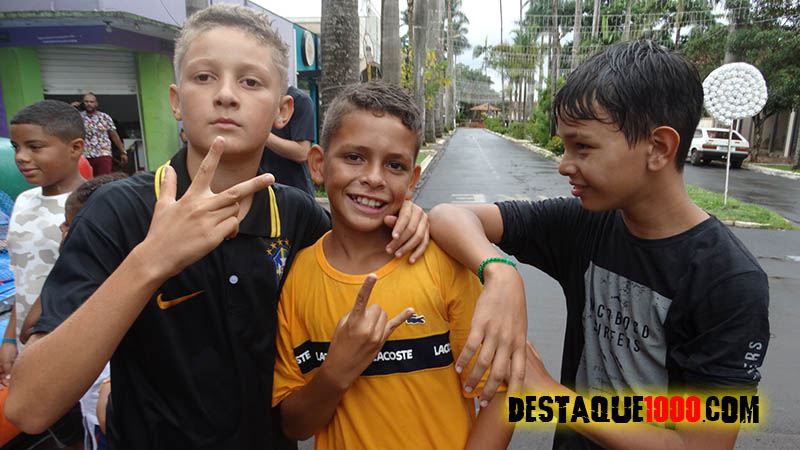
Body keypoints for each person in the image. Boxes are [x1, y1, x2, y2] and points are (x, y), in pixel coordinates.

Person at [4, 5, 429, 449]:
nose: (226, 95)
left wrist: (414, 220)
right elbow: (29, 407)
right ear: (176, 100)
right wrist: (151, 261)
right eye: (204, 77)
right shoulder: (119, 211)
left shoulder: (296, 214)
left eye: (250, 82)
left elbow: (365, 254)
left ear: (283, 110)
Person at [429, 40, 770, 450]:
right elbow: (448, 216)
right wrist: (500, 273)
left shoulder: (729, 279)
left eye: (583, 147)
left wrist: (551, 395)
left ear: (658, 148)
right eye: (564, 146)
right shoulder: (585, 223)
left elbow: (698, 446)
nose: (564, 165)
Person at [272, 81, 514, 450]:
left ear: (412, 180)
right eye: (354, 157)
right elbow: (294, 424)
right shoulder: (297, 279)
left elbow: (500, 395)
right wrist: (335, 373)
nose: (373, 178)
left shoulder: (442, 265)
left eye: (394, 165)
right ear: (319, 165)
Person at [18, 173, 127, 450]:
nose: (62, 230)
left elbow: (29, 328)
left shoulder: (94, 285)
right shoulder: (81, 280)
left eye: (70, 225)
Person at [3, 99, 87, 449]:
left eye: (35, 147)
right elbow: (23, 277)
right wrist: (10, 339)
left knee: (81, 426)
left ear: (75, 148)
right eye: (16, 147)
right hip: (28, 343)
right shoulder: (23, 202)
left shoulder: (94, 205)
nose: (21, 157)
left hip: (74, 348)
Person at [260, 85, 316, 195]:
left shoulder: (300, 100)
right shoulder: (255, 98)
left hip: (295, 192)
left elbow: (302, 152)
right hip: (262, 190)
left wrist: (262, 134)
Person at [79, 93, 126, 176]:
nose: (89, 104)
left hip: (103, 154)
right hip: (85, 155)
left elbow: (114, 136)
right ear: (83, 103)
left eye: (91, 102)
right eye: (86, 101)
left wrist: (123, 152)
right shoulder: (78, 117)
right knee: (86, 179)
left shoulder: (105, 117)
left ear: (96, 103)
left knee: (103, 179)